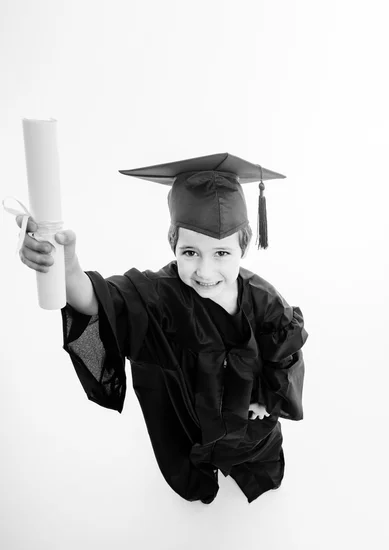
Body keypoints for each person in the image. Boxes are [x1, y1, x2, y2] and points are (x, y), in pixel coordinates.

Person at [16, 153, 308, 504]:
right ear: (173, 244)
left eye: (221, 254)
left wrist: (269, 401)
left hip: (250, 418)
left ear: (243, 246)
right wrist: (67, 265)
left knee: (258, 459)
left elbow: (285, 355)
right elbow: (101, 301)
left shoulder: (264, 299)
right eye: (190, 252)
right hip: (191, 419)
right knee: (191, 468)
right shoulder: (160, 295)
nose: (205, 270)